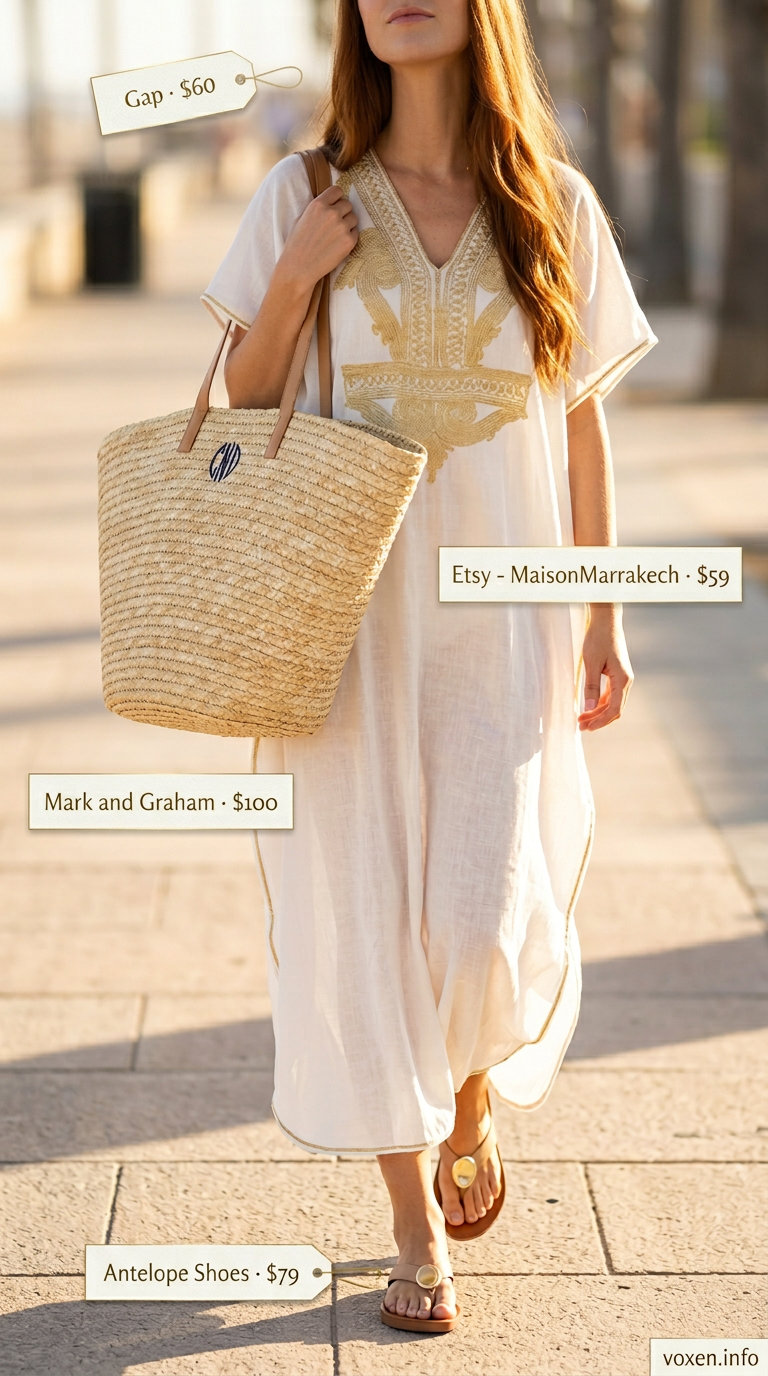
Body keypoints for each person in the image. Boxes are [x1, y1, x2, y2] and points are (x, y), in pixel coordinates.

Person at [201, 0, 658, 1335]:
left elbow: (580, 429)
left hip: (500, 626)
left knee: (472, 920)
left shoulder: (550, 205)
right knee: (362, 921)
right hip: (347, 621)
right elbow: (241, 396)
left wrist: (602, 612)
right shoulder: (304, 189)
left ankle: (469, 1096)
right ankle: (414, 1231)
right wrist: (297, 273)